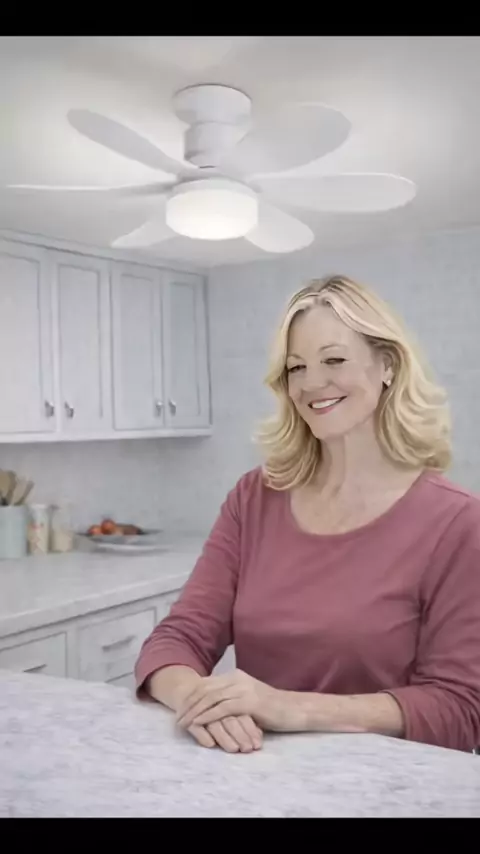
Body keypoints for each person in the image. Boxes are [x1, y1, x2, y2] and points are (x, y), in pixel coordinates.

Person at [135, 274, 480, 755]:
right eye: (296, 367)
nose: (312, 383)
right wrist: (202, 701)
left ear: (387, 365)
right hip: (256, 772)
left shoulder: (458, 521)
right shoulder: (254, 498)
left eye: (333, 360)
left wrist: (290, 707)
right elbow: (177, 639)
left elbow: (460, 709)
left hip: (386, 787)